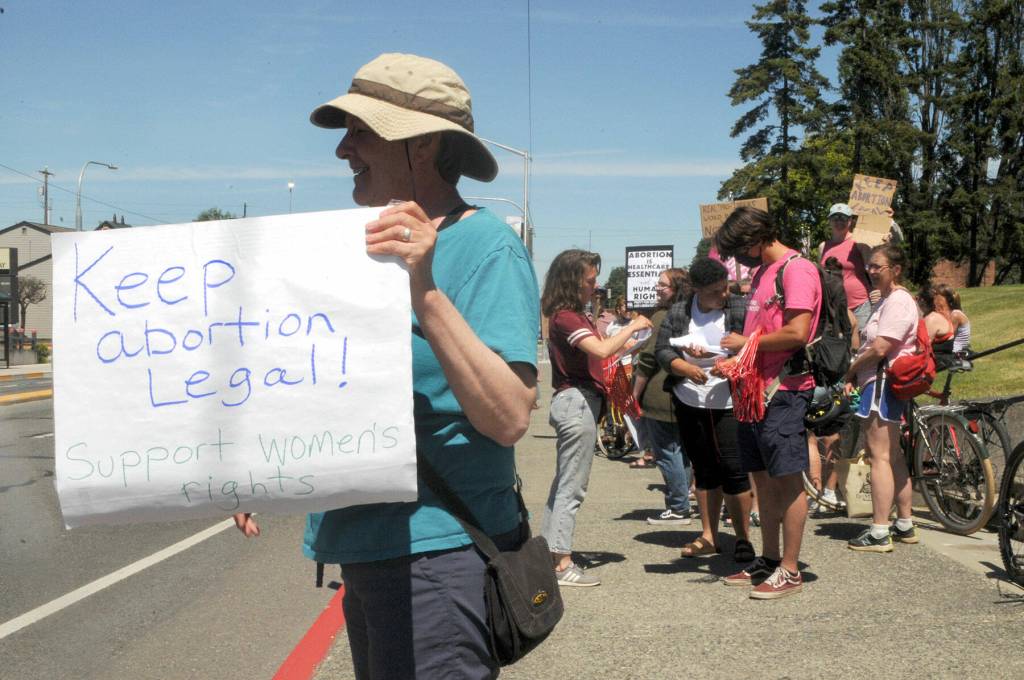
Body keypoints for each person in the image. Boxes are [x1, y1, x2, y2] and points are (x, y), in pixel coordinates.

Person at [232, 53, 540, 679]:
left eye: (362, 131)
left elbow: (509, 415)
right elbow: (322, 381)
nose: (344, 149)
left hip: (439, 551)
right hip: (369, 549)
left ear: (423, 144)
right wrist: (248, 466)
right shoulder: (356, 249)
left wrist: (423, 286)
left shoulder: (486, 246)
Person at [714, 206, 822, 600]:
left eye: (738, 250)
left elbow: (797, 332)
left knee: (788, 481)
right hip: (753, 392)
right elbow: (760, 333)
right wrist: (733, 361)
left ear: (755, 238)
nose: (737, 260)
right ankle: (770, 558)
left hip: (785, 391)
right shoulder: (763, 273)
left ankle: (790, 569)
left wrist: (748, 345)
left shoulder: (797, 270)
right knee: (762, 478)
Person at [542, 250, 652, 587]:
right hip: (576, 402)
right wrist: (634, 323)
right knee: (571, 487)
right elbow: (603, 351)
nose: (595, 286)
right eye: (590, 280)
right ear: (573, 281)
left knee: (565, 483)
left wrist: (633, 340)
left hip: (579, 401)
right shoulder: (566, 317)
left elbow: (607, 353)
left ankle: (552, 554)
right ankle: (561, 562)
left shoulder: (573, 316)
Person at [655, 257, 755, 561]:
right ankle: (709, 535)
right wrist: (684, 366)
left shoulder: (739, 307)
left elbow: (757, 344)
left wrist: (735, 358)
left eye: (725, 288)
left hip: (728, 400)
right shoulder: (679, 311)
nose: (723, 295)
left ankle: (742, 538)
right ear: (697, 289)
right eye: (715, 291)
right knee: (704, 469)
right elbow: (662, 350)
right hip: (689, 399)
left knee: (734, 470)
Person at [842, 245, 920, 552]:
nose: (872, 271)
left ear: (896, 270)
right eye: (870, 267)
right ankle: (904, 523)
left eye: (878, 267)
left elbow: (880, 348)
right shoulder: (889, 300)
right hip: (882, 382)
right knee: (893, 456)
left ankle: (879, 530)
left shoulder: (899, 300)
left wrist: (851, 371)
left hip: (881, 382)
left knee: (879, 457)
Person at [633, 267, 694, 523]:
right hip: (689, 391)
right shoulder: (694, 313)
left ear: (677, 289)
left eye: (663, 285)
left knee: (666, 452)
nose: (657, 289)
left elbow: (648, 358)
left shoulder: (661, 316)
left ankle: (678, 506)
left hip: (661, 394)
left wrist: (634, 393)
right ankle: (683, 499)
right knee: (684, 452)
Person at [819, 203, 873, 334]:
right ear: (829, 221)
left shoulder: (859, 242)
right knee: (840, 345)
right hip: (834, 306)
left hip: (859, 305)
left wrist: (877, 291)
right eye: (835, 218)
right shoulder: (823, 246)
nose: (839, 222)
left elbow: (871, 269)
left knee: (860, 346)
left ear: (850, 221)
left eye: (843, 218)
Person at [917, 284, 956, 370]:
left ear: (922, 300)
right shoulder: (934, 315)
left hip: (940, 361)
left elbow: (921, 348)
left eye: (917, 298)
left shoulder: (932, 318)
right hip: (941, 358)